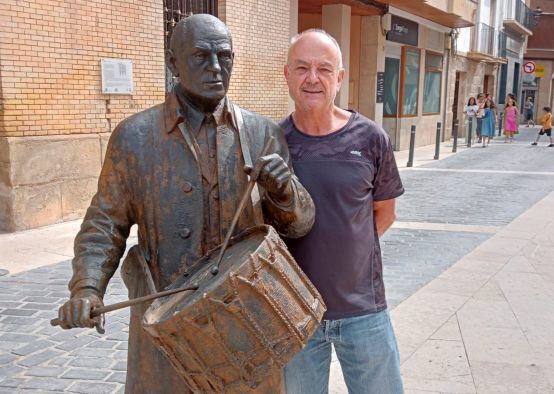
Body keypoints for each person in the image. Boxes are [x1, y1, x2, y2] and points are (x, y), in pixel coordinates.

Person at [55, 14, 315, 394]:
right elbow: (104, 224)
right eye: (200, 57)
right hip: (164, 327)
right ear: (173, 63)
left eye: (224, 57)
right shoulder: (134, 138)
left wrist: (284, 191)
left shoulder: (262, 133)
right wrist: (87, 288)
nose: (215, 68)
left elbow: (299, 225)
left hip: (245, 324)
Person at [280, 29, 405, 394]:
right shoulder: (272, 142)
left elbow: (385, 212)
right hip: (295, 314)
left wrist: (346, 249)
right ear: (286, 74)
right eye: (302, 68)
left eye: (323, 68)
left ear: (340, 77)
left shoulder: (370, 139)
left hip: (363, 311)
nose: (312, 78)